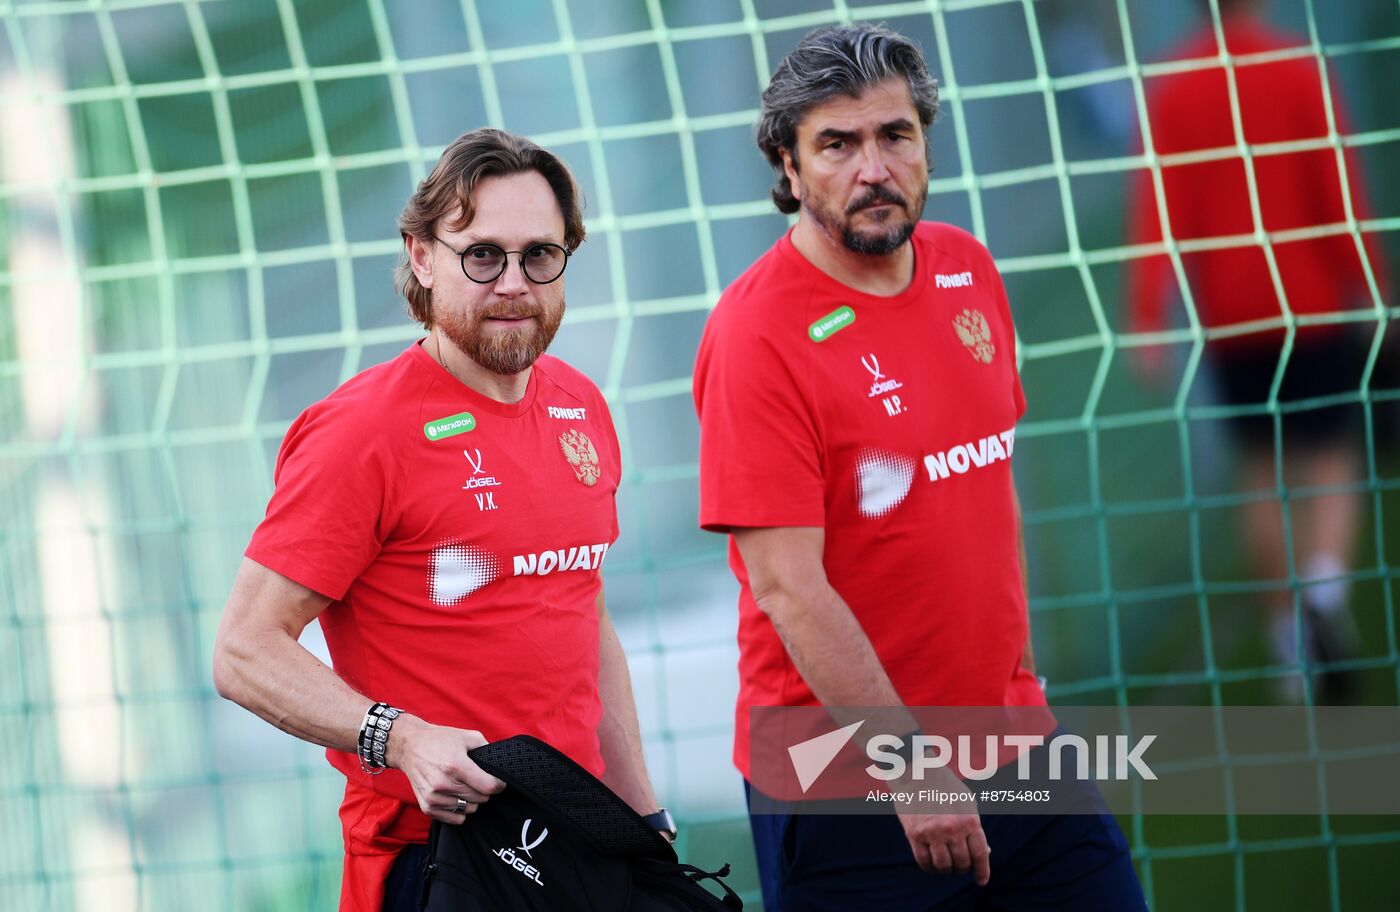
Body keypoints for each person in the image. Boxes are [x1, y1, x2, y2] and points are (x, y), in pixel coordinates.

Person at [693, 23, 1146, 911]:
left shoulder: (969, 271)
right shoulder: (756, 337)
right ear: (788, 167)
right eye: (838, 144)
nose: (874, 167)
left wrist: (1011, 675)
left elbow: (977, 494)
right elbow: (787, 587)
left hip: (1013, 742)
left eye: (894, 135)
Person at [212, 128, 672, 912]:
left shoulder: (580, 407)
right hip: (440, 860)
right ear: (423, 257)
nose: (513, 283)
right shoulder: (361, 432)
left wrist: (642, 818)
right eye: (482, 254)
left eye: (539, 255)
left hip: (582, 843)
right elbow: (243, 651)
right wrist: (401, 738)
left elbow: (581, 617)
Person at [1127, 0, 1389, 701]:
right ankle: (1325, 595)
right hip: (1312, 308)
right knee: (1330, 458)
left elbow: (1160, 204)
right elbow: (1338, 189)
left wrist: (1147, 313)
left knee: (1261, 473)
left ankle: (1289, 647)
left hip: (1233, 319)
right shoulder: (1298, 68)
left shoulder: (1175, 85)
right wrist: (1372, 284)